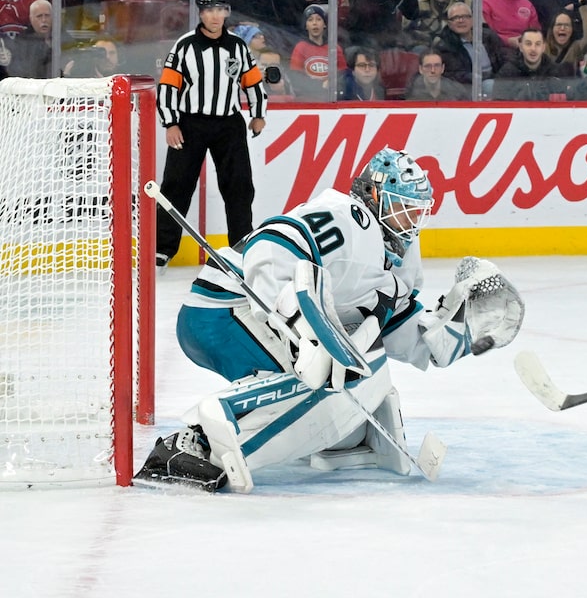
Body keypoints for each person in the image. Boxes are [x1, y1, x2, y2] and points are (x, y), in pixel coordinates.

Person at [134, 148, 524, 492]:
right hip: (224, 309)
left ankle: (327, 435)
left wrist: (462, 328)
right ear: (373, 195)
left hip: (245, 316)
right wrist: (300, 324)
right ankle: (190, 442)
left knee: (348, 405)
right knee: (321, 378)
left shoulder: (395, 259)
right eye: (403, 209)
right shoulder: (351, 218)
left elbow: (407, 335)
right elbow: (269, 246)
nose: (410, 223)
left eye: (417, 213)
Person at [154, 0, 266, 269]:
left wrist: (258, 113)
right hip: (190, 123)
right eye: (209, 10)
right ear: (200, 13)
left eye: (220, 10)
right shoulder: (184, 46)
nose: (215, 16)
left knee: (239, 185)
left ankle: (241, 244)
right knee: (177, 184)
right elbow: (168, 86)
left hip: (229, 123)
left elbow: (252, 81)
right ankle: (162, 248)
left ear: (226, 12)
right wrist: (171, 122)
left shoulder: (238, 46)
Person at [434, 3, 507, 96]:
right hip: (469, 87)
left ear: (472, 19)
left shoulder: (489, 36)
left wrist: (499, 78)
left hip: (496, 79)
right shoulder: (445, 45)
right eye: (455, 18)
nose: (461, 21)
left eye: (465, 16)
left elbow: (507, 58)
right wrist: (481, 79)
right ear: (449, 24)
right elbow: (456, 74)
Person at [494, 28, 572, 100]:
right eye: (528, 44)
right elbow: (498, 104)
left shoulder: (555, 72)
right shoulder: (507, 72)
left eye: (537, 44)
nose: (533, 49)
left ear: (543, 47)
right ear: (521, 47)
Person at [290, 4, 347, 95]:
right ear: (306, 26)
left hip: (332, 97)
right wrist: (319, 86)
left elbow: (343, 74)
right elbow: (296, 77)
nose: (315, 23)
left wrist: (333, 85)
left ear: (324, 24)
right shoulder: (300, 47)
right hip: (308, 97)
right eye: (310, 20)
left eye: (319, 19)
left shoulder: (334, 48)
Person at [7, 0, 52, 78]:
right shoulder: (22, 42)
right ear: (31, 19)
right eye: (39, 16)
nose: (44, 20)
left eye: (47, 15)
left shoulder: (62, 36)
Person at [407, 50, 471, 101]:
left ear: (442, 68)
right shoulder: (411, 92)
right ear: (420, 69)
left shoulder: (457, 92)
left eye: (437, 65)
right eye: (428, 66)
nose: (433, 70)